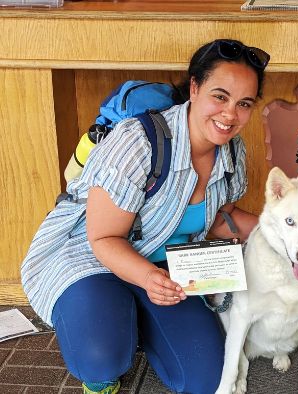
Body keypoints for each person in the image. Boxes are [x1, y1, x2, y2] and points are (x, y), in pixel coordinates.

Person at [20, 39, 270, 394]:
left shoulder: (232, 151)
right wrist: (148, 277)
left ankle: (132, 319)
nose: (230, 114)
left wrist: (285, 234)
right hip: (93, 260)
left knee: (207, 380)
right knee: (101, 357)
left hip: (168, 273)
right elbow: (103, 238)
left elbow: (220, 216)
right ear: (195, 88)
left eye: (244, 103)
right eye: (220, 96)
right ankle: (106, 341)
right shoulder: (138, 141)